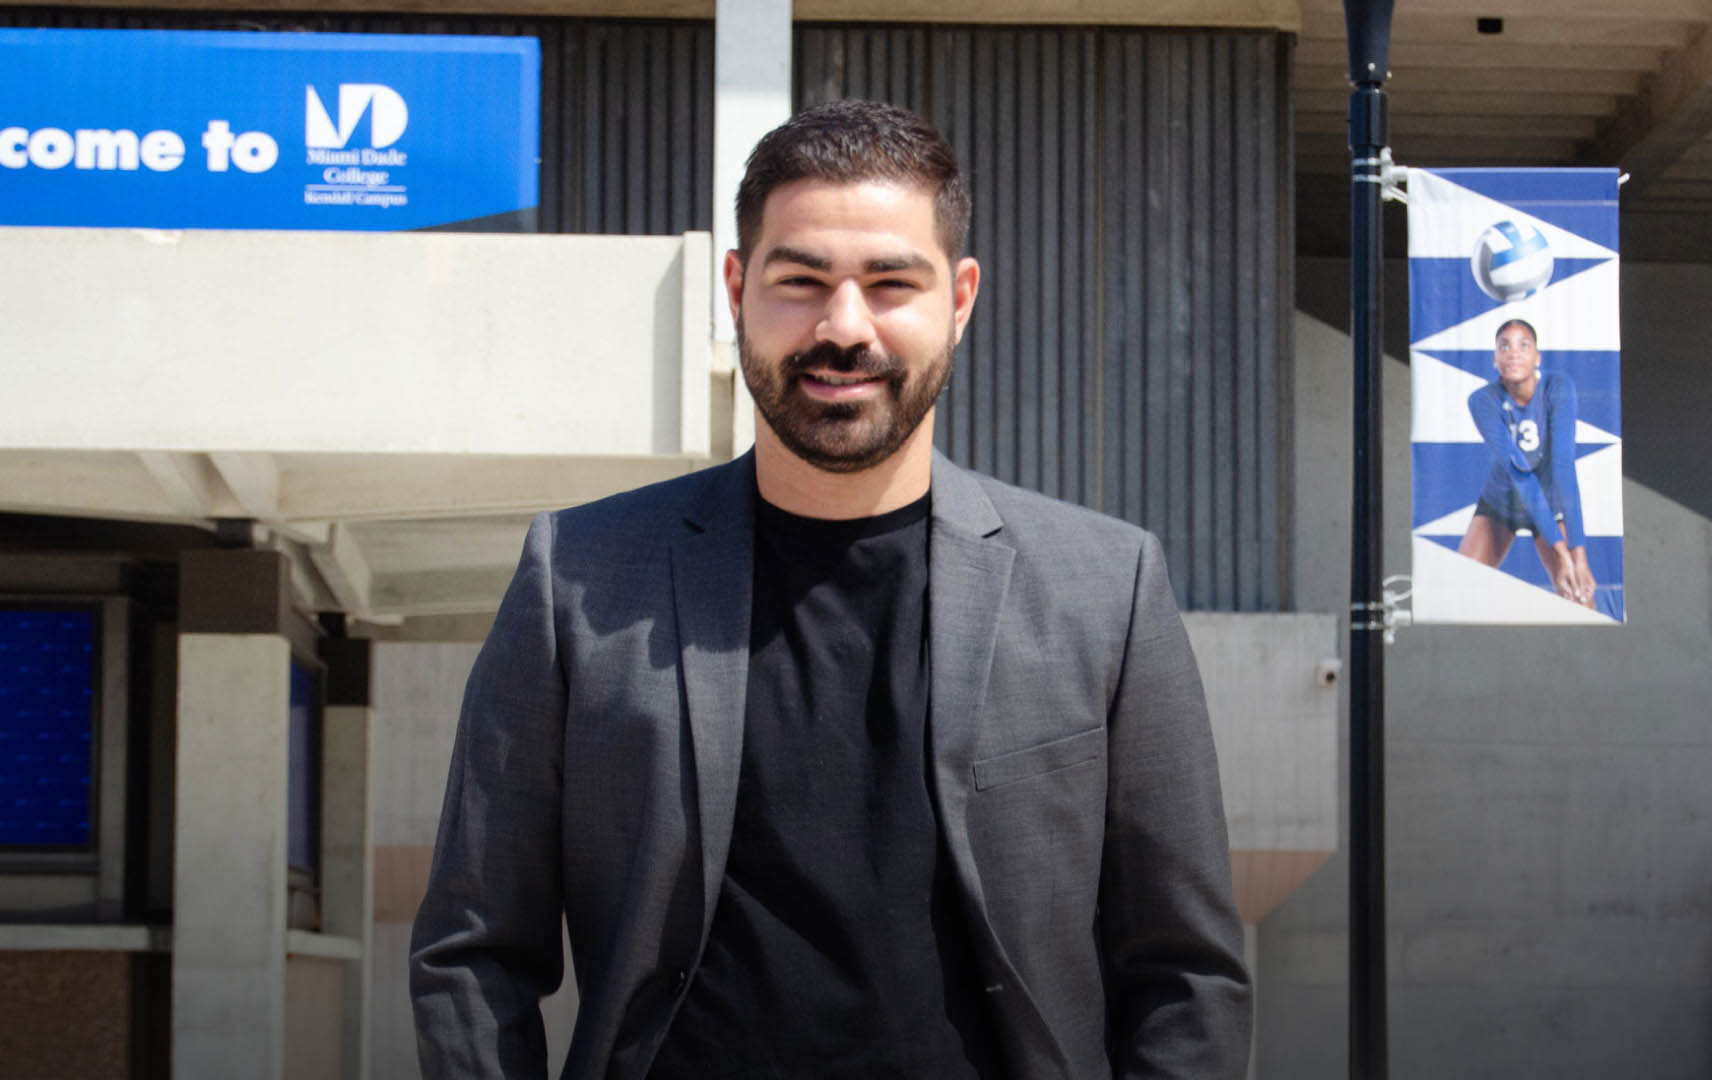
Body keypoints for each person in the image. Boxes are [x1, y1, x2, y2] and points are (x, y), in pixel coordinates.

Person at [410, 99, 1250, 1079]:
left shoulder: (1106, 587)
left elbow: (1185, 973)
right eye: (801, 282)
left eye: (891, 283)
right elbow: (473, 949)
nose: (843, 327)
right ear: (737, 290)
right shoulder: (579, 575)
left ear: (960, 300)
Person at [1458, 317, 1597, 608]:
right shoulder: (1482, 400)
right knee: (1460, 592)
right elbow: (1520, 474)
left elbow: (1564, 468)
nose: (1513, 353)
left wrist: (1577, 556)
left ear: (1537, 357)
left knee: (1580, 595)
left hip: (1549, 505)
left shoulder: (1557, 387)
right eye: (1504, 346)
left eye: (1524, 345)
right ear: (1495, 359)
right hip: (1501, 505)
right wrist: (1561, 553)